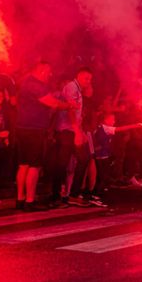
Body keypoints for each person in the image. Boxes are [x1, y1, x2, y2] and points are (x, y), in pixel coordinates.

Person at [15, 61, 73, 212]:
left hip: (23, 128)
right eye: (48, 71)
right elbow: (52, 102)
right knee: (34, 166)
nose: (50, 74)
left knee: (23, 165)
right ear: (41, 70)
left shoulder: (27, 82)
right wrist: (69, 105)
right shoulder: (36, 85)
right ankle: (30, 201)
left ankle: (20, 199)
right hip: (34, 129)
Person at [51, 67, 94, 207]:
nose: (88, 81)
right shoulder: (72, 88)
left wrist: (79, 131)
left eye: (90, 79)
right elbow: (70, 109)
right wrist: (77, 132)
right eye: (86, 78)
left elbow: (76, 113)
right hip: (66, 130)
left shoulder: (77, 89)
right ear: (78, 76)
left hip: (71, 129)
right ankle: (57, 196)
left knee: (82, 158)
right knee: (62, 163)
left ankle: (71, 194)